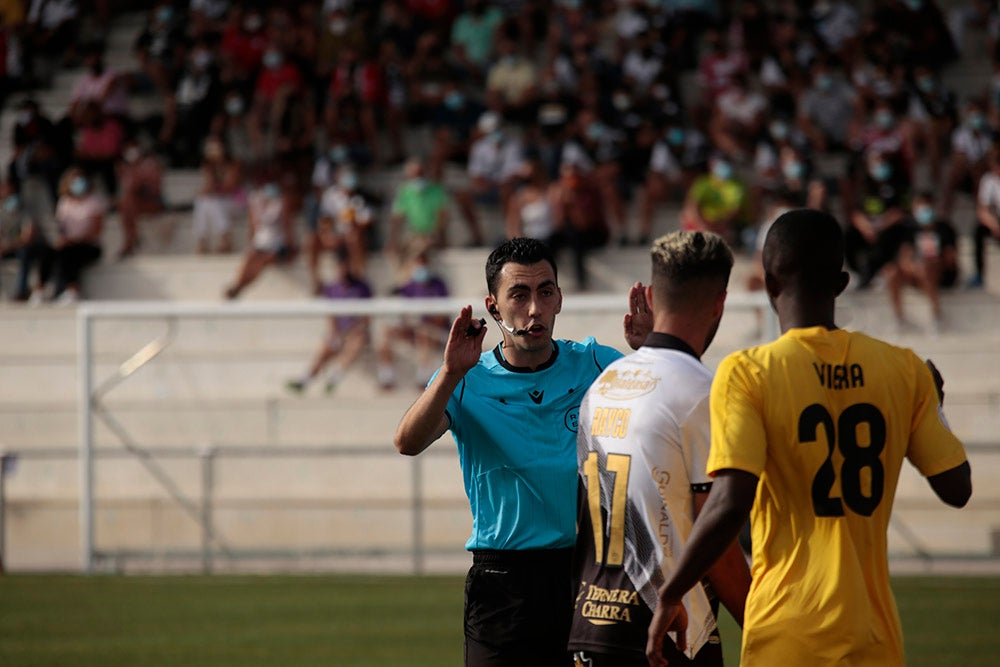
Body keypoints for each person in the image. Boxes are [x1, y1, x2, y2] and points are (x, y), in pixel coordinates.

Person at [645, 208, 972, 667]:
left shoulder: (748, 372)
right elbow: (958, 489)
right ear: (841, 284)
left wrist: (670, 594)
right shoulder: (905, 369)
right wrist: (934, 402)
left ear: (770, 282)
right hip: (874, 637)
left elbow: (730, 502)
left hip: (787, 630)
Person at [393, 237, 652, 667]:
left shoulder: (594, 364)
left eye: (545, 292)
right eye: (519, 294)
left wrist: (651, 355)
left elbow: (669, 414)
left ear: (559, 300)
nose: (534, 308)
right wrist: (451, 373)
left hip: (586, 577)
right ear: (493, 307)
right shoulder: (467, 378)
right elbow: (408, 441)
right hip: (502, 584)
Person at [568, 231, 751, 667]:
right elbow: (718, 538)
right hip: (669, 634)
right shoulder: (707, 395)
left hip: (589, 624)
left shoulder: (603, 386)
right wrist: (765, 627)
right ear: (719, 304)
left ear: (651, 295)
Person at [286, 248, 373, 394]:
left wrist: (351, 331)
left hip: (356, 331)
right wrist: (335, 333)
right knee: (328, 345)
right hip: (340, 331)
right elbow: (331, 315)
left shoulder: (362, 287)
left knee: (356, 341)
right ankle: (306, 378)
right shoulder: (332, 288)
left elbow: (367, 315)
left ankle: (336, 376)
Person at [376, 246, 451, 391]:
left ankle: (423, 379)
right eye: (417, 263)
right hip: (413, 329)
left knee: (423, 332)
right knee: (386, 333)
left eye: (423, 263)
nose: (420, 267)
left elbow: (442, 318)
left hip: (437, 332)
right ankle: (387, 377)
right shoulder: (409, 286)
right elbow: (395, 302)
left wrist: (422, 322)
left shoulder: (439, 285)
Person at [884, 193, 959, 332]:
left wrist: (932, 264)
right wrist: (914, 268)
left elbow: (950, 259)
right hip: (917, 273)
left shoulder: (945, 229)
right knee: (891, 272)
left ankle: (937, 317)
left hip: (940, 274)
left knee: (928, 267)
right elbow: (904, 256)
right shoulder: (910, 230)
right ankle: (899, 319)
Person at [51, 168, 106, 302]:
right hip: (70, 244)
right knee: (55, 253)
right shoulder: (64, 202)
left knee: (70, 254)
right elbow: (61, 228)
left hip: (89, 245)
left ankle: (73, 289)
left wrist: (76, 240)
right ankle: (44, 290)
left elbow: (96, 230)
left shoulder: (94, 201)